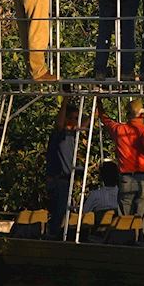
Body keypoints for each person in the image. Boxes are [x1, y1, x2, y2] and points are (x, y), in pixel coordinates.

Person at [99, 99, 144, 241]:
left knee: (125, 213)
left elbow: (105, 120)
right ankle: (141, 240)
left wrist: (99, 104)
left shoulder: (118, 129)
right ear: (141, 114)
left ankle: (124, 239)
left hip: (126, 178)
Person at [45, 97, 79, 236]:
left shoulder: (71, 134)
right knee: (58, 211)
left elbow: (83, 124)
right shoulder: (59, 134)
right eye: (72, 118)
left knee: (62, 211)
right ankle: (53, 235)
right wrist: (65, 101)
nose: (75, 122)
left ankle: (55, 234)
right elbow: (59, 123)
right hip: (57, 179)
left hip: (65, 179)